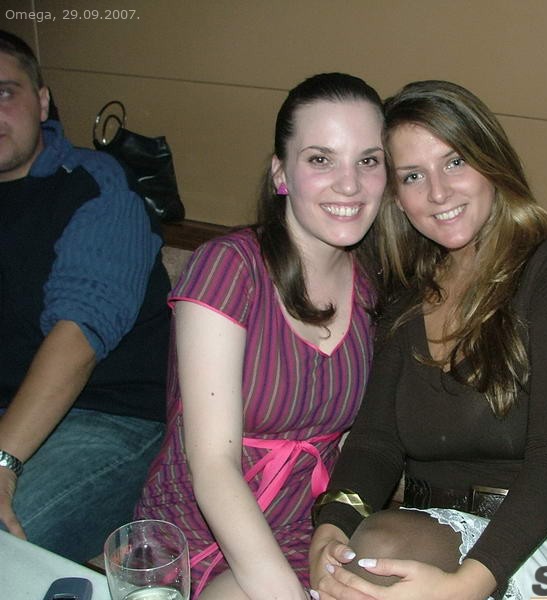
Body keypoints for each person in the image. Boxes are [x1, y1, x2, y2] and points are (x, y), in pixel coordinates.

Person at [309, 80, 547, 600]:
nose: (438, 193)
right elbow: (376, 442)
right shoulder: (407, 291)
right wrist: (332, 526)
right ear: (396, 197)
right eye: (413, 175)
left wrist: (468, 584)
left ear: (491, 162)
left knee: (381, 553)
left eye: (454, 162)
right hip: (425, 535)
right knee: (363, 561)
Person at [135, 72, 387, 600]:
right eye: (321, 159)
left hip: (303, 534)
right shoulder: (229, 268)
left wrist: (337, 535)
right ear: (280, 173)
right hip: (200, 537)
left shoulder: (373, 287)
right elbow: (212, 465)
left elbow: (358, 447)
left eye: (368, 160)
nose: (350, 184)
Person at [0, 30, 169, 562]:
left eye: (5, 92)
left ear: (42, 101)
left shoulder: (95, 185)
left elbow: (79, 335)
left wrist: (2, 461)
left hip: (112, 417)